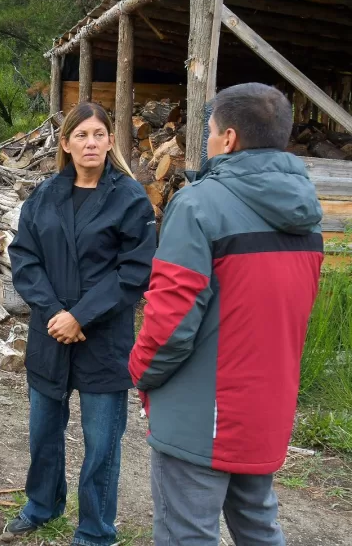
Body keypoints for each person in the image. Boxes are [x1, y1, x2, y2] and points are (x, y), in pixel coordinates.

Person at [129, 83, 324, 545]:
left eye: (211, 132)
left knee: (187, 533)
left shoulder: (198, 205)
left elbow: (170, 324)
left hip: (200, 416)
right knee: (258, 526)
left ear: (229, 138)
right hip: (267, 409)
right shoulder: (308, 215)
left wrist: (140, 370)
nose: (210, 142)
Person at [4, 102, 157, 545]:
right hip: (50, 334)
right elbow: (24, 258)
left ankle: (94, 530)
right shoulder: (46, 195)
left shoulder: (129, 198)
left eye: (99, 134)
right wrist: (55, 314)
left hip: (102, 336)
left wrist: (80, 316)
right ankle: (42, 504)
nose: (91, 143)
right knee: (43, 433)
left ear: (111, 141)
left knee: (102, 444)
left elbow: (134, 271)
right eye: (81, 135)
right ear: (65, 143)